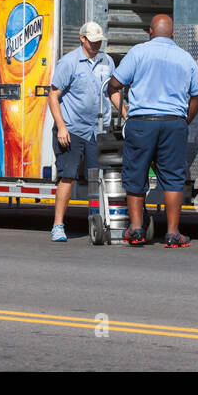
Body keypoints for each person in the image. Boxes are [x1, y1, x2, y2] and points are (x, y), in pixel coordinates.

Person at [106, 14, 198, 248]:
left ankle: (136, 229)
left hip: (142, 122)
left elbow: (114, 85)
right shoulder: (185, 58)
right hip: (174, 123)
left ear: (150, 32)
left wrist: (126, 112)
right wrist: (185, 119)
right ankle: (172, 234)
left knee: (136, 174)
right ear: (172, 34)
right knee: (173, 179)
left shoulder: (138, 52)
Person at [46, 21, 115, 242]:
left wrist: (125, 112)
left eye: (99, 42)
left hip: (98, 130)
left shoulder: (107, 61)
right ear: (82, 39)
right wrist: (62, 127)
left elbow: (111, 91)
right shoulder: (69, 62)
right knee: (68, 176)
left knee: (96, 178)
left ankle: (96, 220)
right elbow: (53, 96)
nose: (96, 46)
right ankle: (58, 225)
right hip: (72, 129)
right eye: (93, 42)